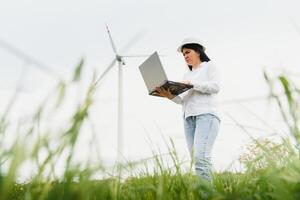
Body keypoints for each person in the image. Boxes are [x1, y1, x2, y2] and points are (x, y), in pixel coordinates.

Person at [156, 37, 220, 183]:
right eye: (183, 54)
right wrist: (169, 96)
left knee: (201, 157)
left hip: (206, 116)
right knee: (197, 160)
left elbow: (215, 87)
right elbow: (183, 100)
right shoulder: (187, 75)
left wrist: (191, 83)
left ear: (198, 51)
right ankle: (207, 193)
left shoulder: (210, 66)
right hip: (188, 119)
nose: (185, 56)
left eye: (187, 52)